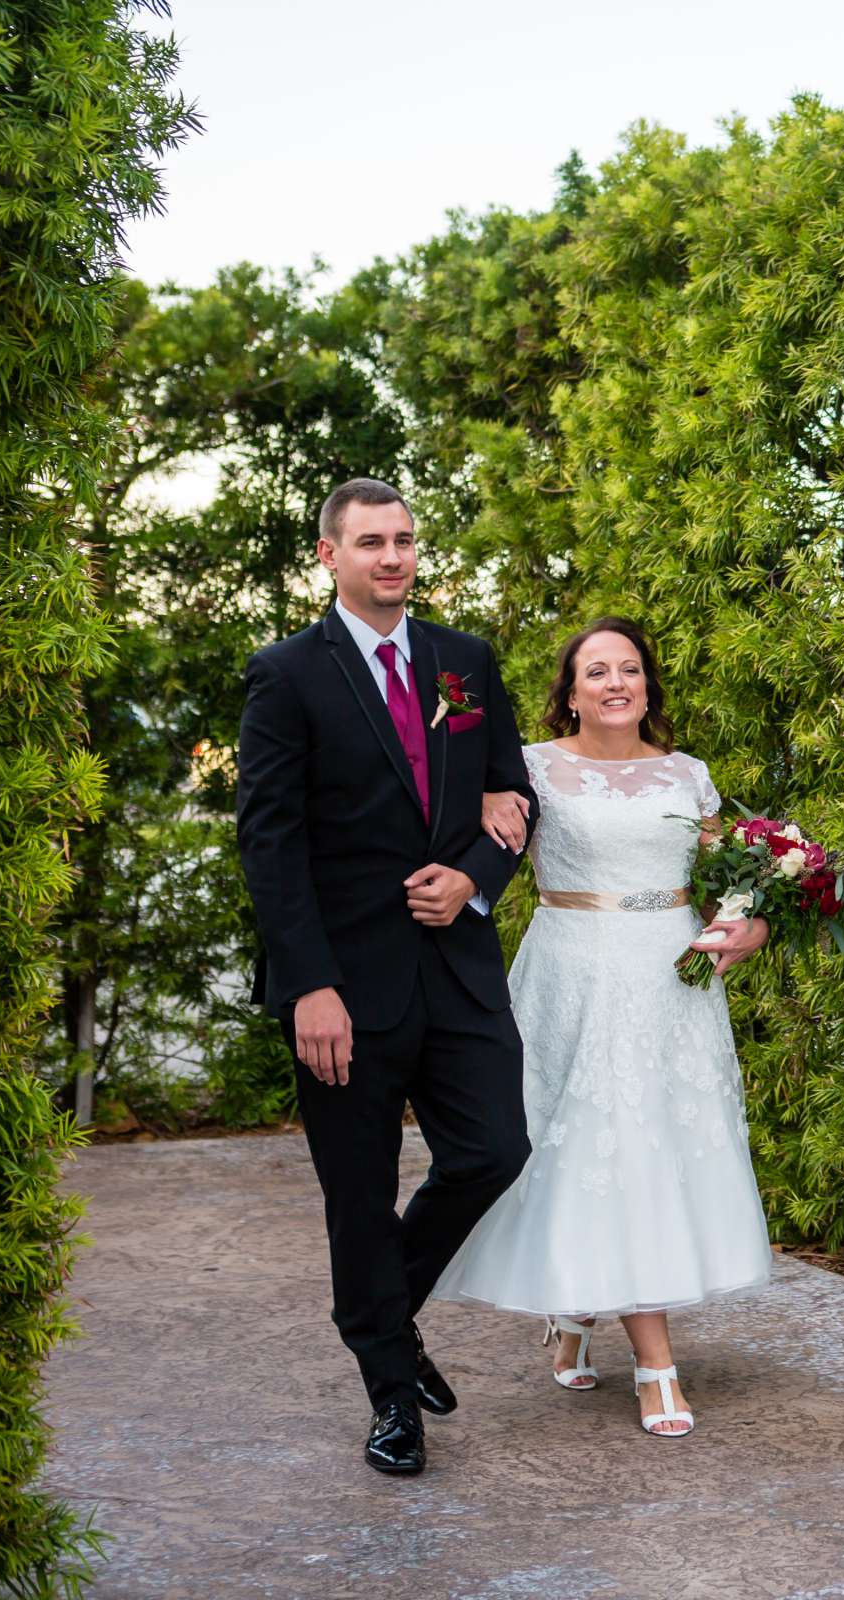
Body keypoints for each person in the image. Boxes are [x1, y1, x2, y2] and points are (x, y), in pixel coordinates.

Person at [235, 478, 537, 1476]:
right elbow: (270, 842)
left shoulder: (467, 663)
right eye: (371, 542)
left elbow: (514, 795)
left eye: (404, 540)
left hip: (456, 974)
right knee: (358, 1197)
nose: (393, 558)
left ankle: (378, 1316)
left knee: (495, 1147)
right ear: (330, 555)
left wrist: (477, 878)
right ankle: (391, 1394)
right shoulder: (286, 675)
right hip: (344, 990)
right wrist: (307, 983)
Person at [431, 617, 774, 1437]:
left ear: (648, 684)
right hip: (573, 973)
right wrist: (481, 793)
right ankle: (656, 1367)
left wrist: (750, 922)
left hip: (671, 981)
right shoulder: (535, 771)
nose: (616, 682)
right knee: (593, 1150)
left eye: (629, 669)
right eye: (596, 671)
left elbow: (731, 881)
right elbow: (471, 816)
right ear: (571, 691)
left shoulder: (688, 775)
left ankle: (576, 1314)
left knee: (654, 1150)